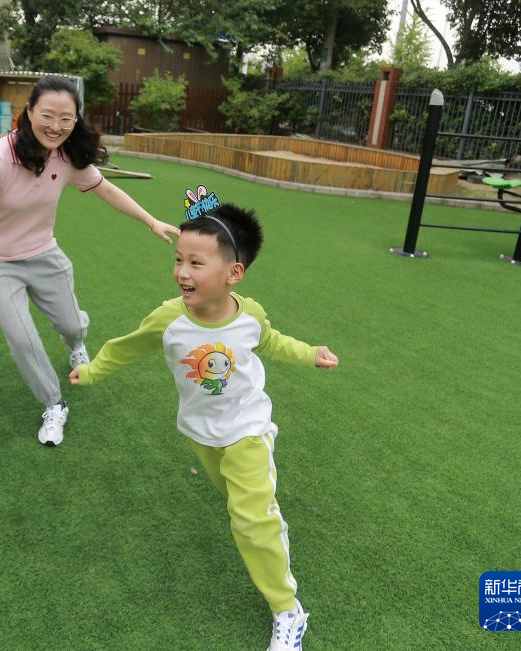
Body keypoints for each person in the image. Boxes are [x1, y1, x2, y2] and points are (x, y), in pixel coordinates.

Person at [69, 197, 339, 651]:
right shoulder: (169, 319)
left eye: (196, 263)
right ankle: (263, 522)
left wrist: (312, 354)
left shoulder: (249, 316)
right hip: (200, 431)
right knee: (237, 502)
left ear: (234, 273)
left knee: (251, 519)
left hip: (248, 427)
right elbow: (126, 346)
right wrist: (93, 370)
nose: (182, 273)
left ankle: (287, 609)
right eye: (179, 260)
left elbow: (271, 341)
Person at [0, 76, 179, 446]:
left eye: (66, 118)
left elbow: (107, 190)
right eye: (47, 115)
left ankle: (75, 343)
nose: (56, 126)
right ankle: (53, 403)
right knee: (22, 339)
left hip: (44, 254)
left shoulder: (66, 157)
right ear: (29, 112)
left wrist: (150, 220)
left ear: (76, 119)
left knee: (72, 325)